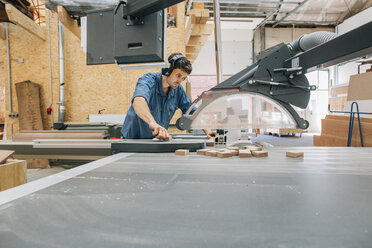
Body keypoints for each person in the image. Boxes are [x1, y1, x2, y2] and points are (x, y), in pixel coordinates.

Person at [121, 53, 216, 139]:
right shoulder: (148, 80)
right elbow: (138, 101)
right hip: (132, 140)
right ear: (167, 70)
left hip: (154, 140)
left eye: (183, 78)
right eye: (178, 75)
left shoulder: (178, 91)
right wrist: (152, 123)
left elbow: (192, 111)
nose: (180, 81)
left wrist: (208, 131)